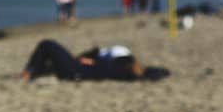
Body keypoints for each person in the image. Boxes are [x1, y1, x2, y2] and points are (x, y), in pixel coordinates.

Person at [19, 39, 169, 82]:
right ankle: (33, 72)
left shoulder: (116, 68)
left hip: (76, 70)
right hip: (77, 71)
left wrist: (92, 62)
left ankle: (29, 71)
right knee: (51, 61)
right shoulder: (124, 72)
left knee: (47, 44)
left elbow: (104, 66)